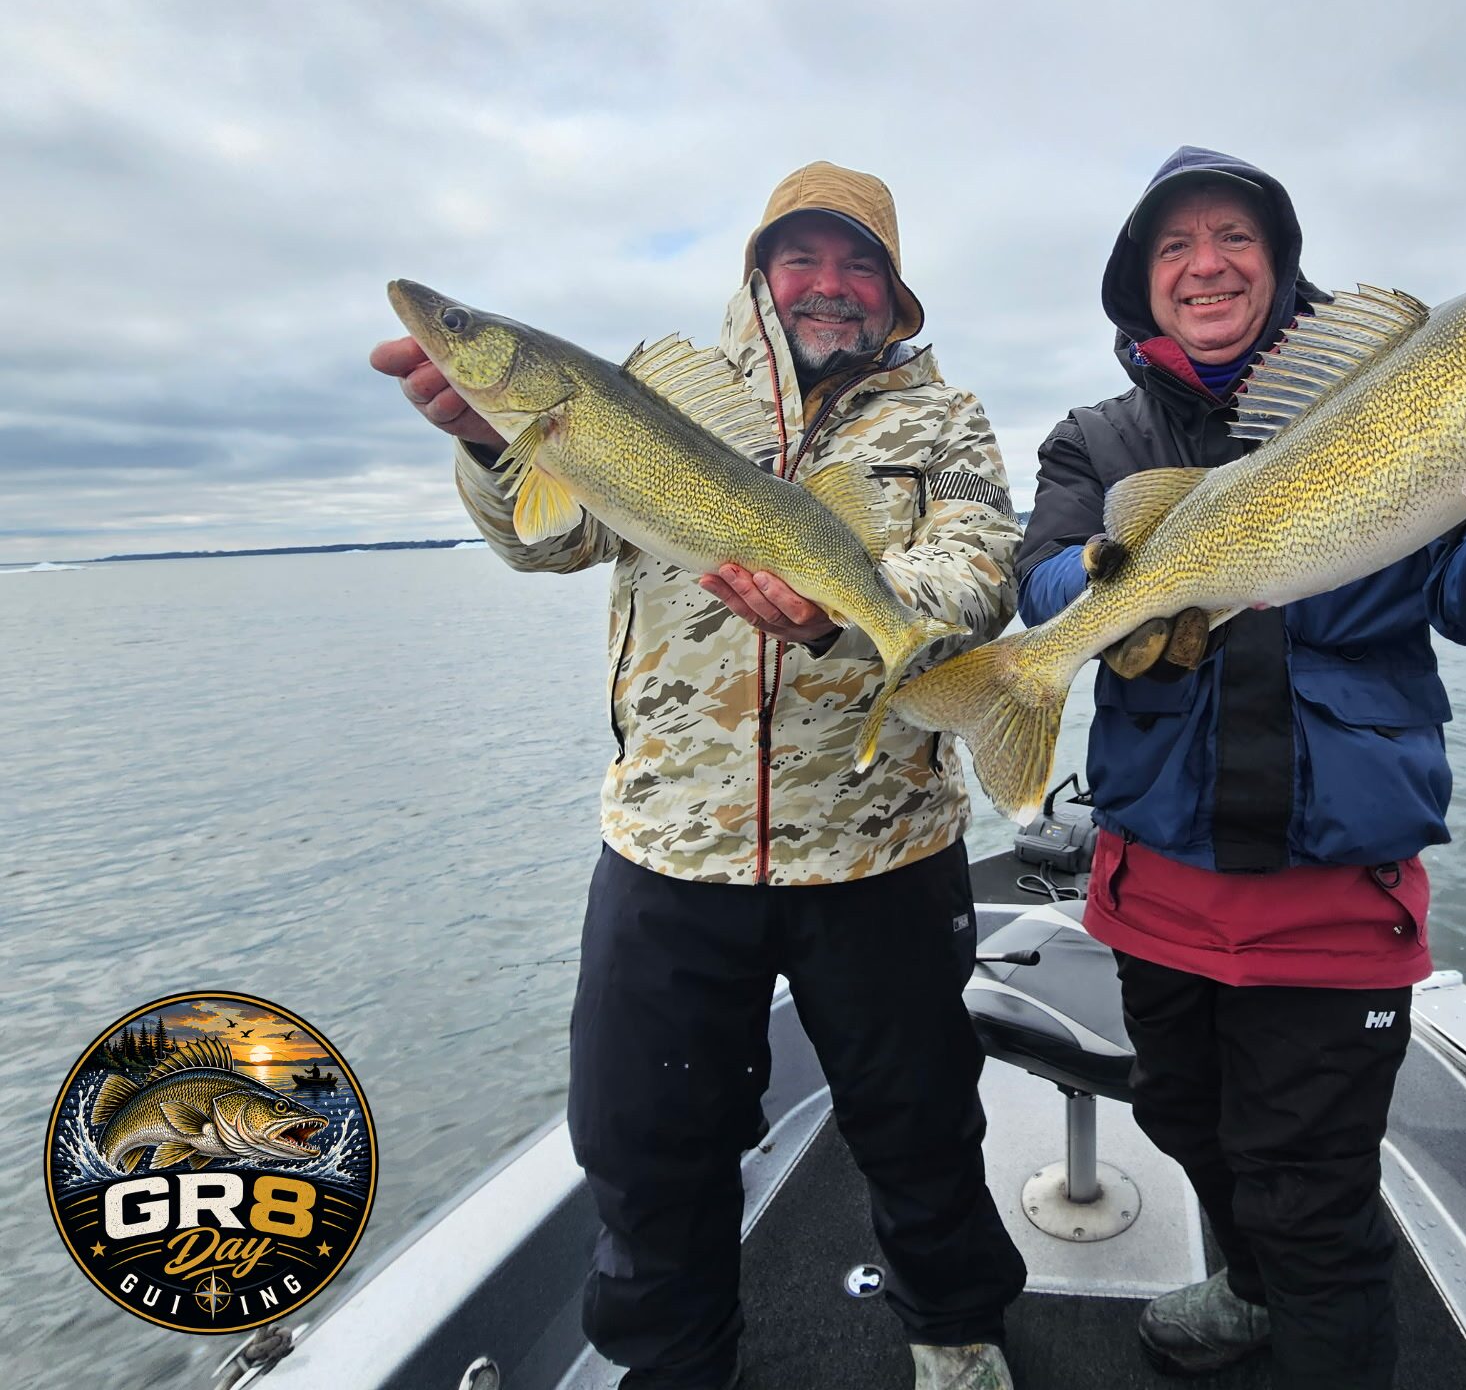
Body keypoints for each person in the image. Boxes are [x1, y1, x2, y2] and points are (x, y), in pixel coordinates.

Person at [1015, 146, 1466, 1390]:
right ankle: (1244, 1288)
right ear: (1140, 279)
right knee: (1185, 1122)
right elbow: (1043, 579)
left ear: (1278, 262)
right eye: (1173, 246)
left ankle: (1294, 1301)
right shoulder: (1095, 439)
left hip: (1332, 896)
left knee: (1311, 1197)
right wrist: (1117, 586)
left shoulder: (1409, 381)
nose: (1204, 264)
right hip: (1156, 883)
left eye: (1232, 236)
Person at [372, 161, 1027, 1390]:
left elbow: (980, 567)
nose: (828, 286)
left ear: (893, 288)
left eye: (857, 263)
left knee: (921, 1119)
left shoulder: (944, 419)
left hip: (881, 841)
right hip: (672, 846)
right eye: (802, 258)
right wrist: (486, 442)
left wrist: (851, 618)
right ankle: (674, 1366)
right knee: (644, 1145)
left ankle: (955, 1332)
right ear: (758, 272)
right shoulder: (653, 391)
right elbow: (554, 538)